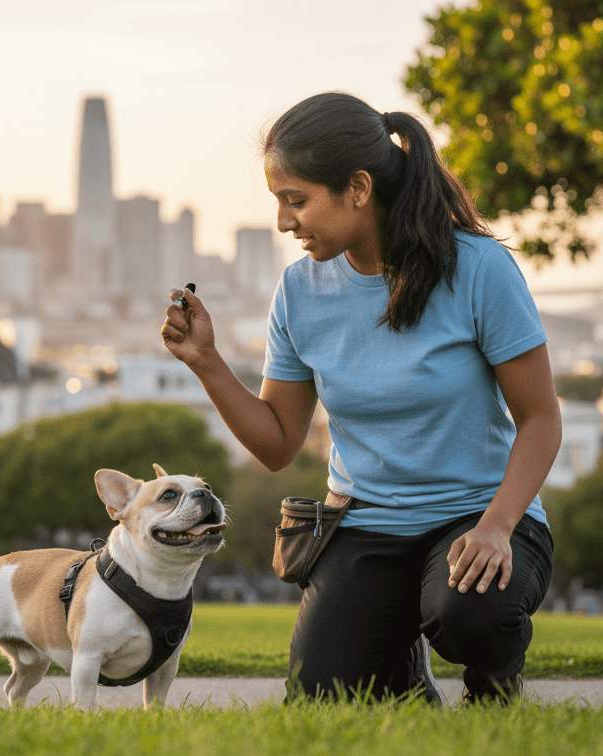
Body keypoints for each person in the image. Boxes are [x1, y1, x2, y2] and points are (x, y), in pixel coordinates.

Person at [160, 92, 560, 704]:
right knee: (322, 700)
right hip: (365, 525)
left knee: (465, 610)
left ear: (358, 188)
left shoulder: (479, 268)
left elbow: (540, 419)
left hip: (478, 516)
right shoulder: (299, 290)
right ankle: (406, 678)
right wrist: (207, 363)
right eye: (278, 203)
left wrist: (498, 526)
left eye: (296, 201)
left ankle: (495, 696)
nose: (283, 223)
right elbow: (276, 444)